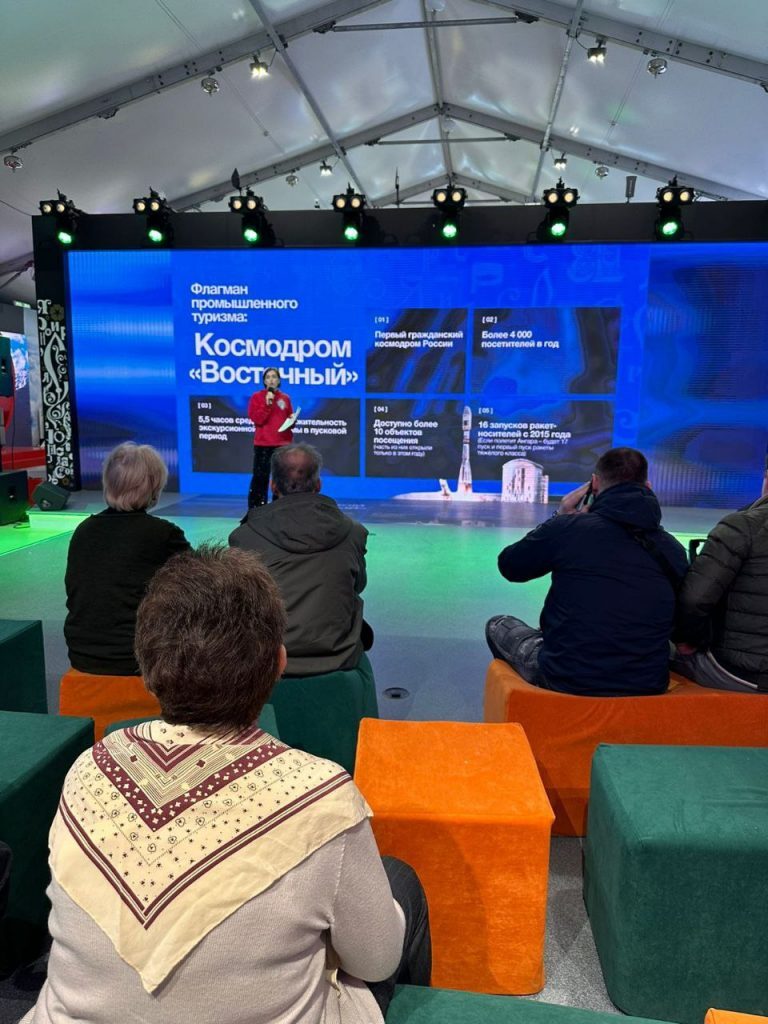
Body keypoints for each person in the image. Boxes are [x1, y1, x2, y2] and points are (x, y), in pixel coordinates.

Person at [22, 545, 430, 1024]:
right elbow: (377, 961)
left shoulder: (89, 767)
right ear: (278, 663)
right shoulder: (322, 796)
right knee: (400, 882)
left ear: (147, 670)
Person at [486, 447, 688, 696]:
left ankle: (539, 703)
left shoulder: (567, 529)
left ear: (594, 484)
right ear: (648, 487)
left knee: (498, 624)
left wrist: (560, 517)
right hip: (646, 682)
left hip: (567, 677)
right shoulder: (672, 549)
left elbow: (510, 566)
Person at [230, 443, 370, 676]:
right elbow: (358, 585)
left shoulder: (243, 537)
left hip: (266, 661)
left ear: (273, 486)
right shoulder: (354, 533)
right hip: (339, 657)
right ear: (318, 485)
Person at [64, 442, 190, 675]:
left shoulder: (84, 531)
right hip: (137, 658)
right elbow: (201, 587)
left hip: (82, 653)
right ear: (154, 486)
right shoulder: (163, 534)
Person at [672, 493, 768, 692]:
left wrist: (686, 640)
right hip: (752, 672)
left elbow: (694, 600)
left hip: (743, 673)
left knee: (659, 650)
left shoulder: (743, 526)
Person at [247, 366, 293, 508]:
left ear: (279, 380)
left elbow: (288, 421)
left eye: (274, 377)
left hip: (282, 444)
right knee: (260, 478)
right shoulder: (257, 397)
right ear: (264, 381)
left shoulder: (285, 398)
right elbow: (257, 419)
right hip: (263, 445)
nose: (271, 380)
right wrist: (267, 404)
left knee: (282, 478)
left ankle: (279, 507)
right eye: (268, 377)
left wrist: (292, 420)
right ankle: (257, 509)